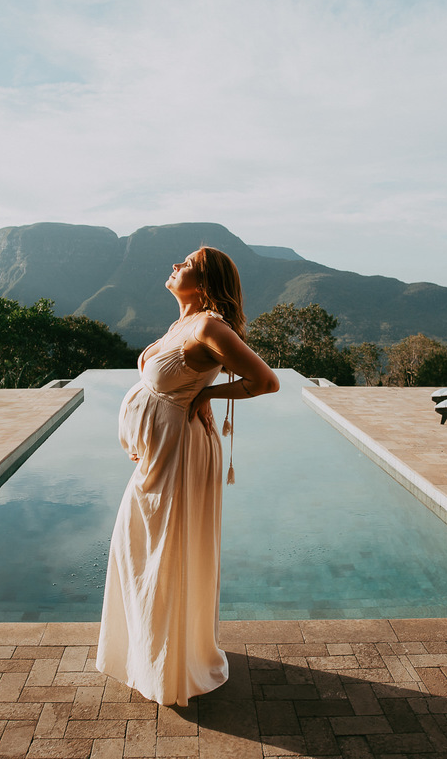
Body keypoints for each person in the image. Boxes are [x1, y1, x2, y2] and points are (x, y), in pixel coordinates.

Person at [96, 246, 279, 707]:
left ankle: (173, 669)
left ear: (204, 284)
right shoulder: (184, 322)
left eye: (187, 265)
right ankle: (149, 656)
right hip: (161, 453)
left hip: (181, 453)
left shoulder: (208, 327)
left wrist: (210, 395)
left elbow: (265, 381)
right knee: (141, 549)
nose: (175, 266)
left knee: (167, 552)